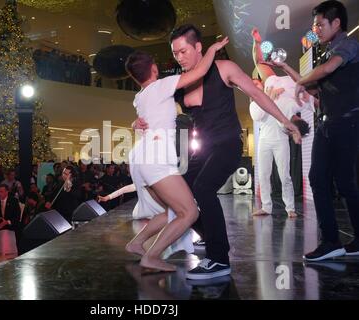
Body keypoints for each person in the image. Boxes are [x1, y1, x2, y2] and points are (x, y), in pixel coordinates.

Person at [133, 24, 301, 279]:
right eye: (175, 53)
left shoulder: (224, 68)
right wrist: (136, 123)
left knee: (202, 189)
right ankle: (210, 236)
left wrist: (285, 122)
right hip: (203, 149)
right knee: (184, 195)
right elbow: (150, 106)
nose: (180, 57)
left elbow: (257, 94)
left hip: (228, 143)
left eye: (184, 51)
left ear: (198, 47)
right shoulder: (179, 85)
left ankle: (219, 259)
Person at [125, 36, 230, 273]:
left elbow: (142, 120)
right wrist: (212, 48)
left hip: (141, 159)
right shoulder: (162, 86)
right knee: (189, 212)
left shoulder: (139, 97)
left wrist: (134, 124)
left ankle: (137, 243)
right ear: (154, 69)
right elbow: (200, 71)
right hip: (157, 161)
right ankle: (152, 255)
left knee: (170, 211)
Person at [291, 0, 358, 261]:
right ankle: (331, 241)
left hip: (347, 121)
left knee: (344, 182)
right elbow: (320, 89)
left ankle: (337, 240)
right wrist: (299, 81)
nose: (315, 29)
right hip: (327, 123)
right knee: (319, 177)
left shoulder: (347, 45)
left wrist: (301, 82)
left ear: (336, 22)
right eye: (314, 25)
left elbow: (329, 69)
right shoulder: (329, 51)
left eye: (320, 24)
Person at [249, 27, 314, 218]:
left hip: (279, 141)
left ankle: (290, 208)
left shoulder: (297, 100)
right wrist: (257, 42)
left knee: (285, 175)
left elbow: (312, 101)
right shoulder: (272, 80)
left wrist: (295, 133)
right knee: (263, 174)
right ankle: (266, 207)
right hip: (264, 138)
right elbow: (258, 60)